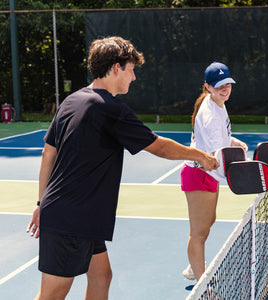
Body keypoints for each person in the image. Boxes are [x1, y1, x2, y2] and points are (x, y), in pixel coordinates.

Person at [26, 36, 219, 300]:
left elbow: (49, 152)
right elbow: (158, 145)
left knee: (101, 276)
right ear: (116, 67)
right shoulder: (109, 108)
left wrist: (42, 201)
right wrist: (201, 156)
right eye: (131, 70)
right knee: (53, 293)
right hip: (72, 217)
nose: (133, 77)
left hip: (79, 215)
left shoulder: (72, 101)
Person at [180, 62, 248, 281]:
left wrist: (233, 141)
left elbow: (220, 139)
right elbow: (213, 161)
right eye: (219, 85)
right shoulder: (209, 115)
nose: (225, 88)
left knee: (209, 221)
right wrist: (239, 179)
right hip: (199, 174)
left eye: (227, 83)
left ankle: (193, 264)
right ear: (207, 86)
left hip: (207, 172)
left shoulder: (217, 102)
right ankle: (202, 285)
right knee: (198, 232)